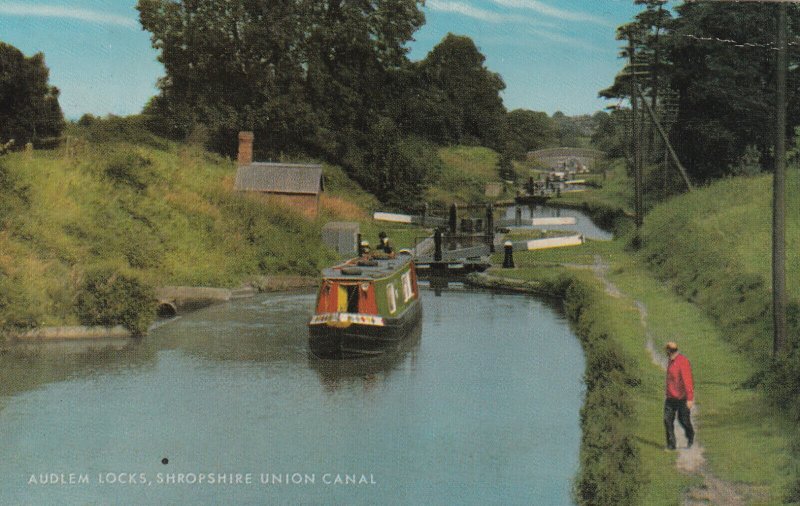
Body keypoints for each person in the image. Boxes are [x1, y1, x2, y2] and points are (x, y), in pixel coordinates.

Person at [664, 341, 695, 450]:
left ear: (669, 351)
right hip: (670, 397)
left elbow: (688, 381)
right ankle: (671, 445)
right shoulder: (670, 361)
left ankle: (690, 435)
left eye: (667, 351)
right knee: (667, 420)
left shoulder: (683, 362)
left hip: (682, 398)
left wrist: (690, 398)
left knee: (683, 420)